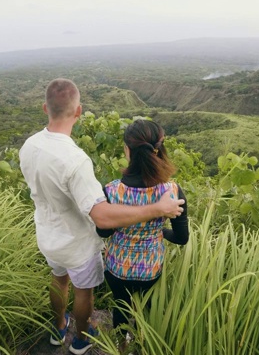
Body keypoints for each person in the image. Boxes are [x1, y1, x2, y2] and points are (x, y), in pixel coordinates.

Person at [19, 79, 184, 355]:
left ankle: (58, 329)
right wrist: (157, 209)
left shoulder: (29, 145)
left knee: (58, 280)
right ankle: (82, 341)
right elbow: (102, 218)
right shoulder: (75, 160)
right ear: (79, 111)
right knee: (83, 292)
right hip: (77, 243)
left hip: (47, 235)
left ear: (44, 107)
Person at [96, 119, 189, 347]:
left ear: (127, 150)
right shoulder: (172, 191)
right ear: (159, 149)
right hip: (151, 267)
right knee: (145, 307)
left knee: (120, 304)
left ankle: (120, 345)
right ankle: (140, 342)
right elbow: (182, 238)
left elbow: (104, 233)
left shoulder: (110, 190)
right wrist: (159, 233)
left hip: (117, 266)